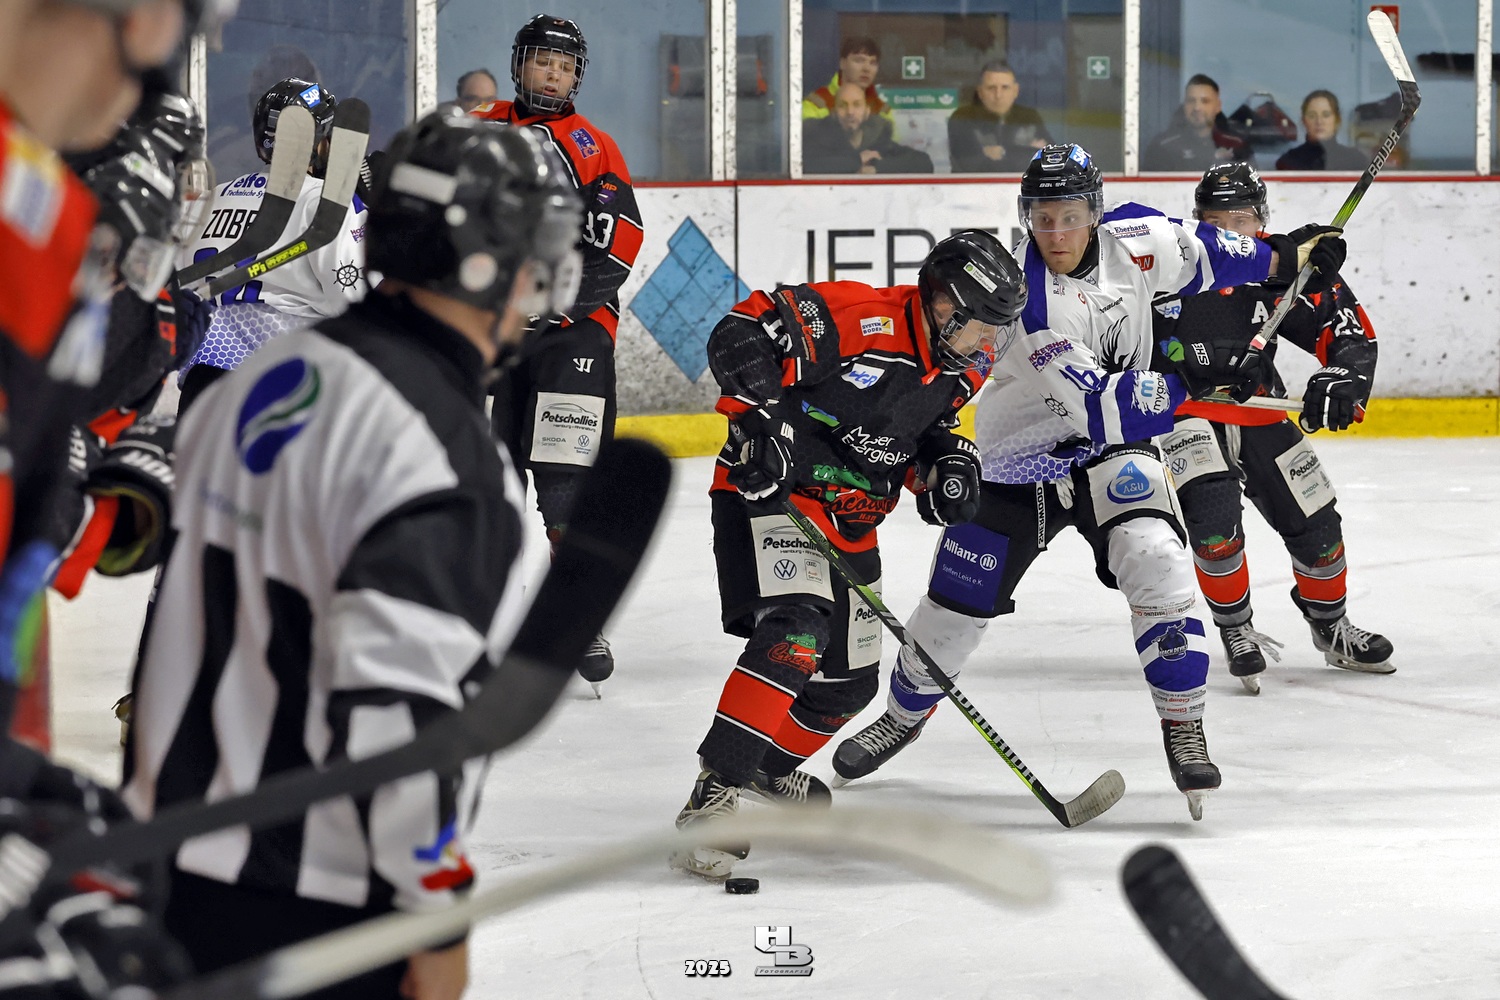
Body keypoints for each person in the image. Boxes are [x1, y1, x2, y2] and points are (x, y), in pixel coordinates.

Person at [121, 111, 585, 1000]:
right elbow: (394, 710)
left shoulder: (254, 383)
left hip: (162, 863)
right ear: (482, 263)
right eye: (533, 250)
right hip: (310, 907)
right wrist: (432, 911)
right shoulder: (441, 445)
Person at [833, 143, 1348, 821]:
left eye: (1070, 216)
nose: (1056, 234)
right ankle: (902, 716)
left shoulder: (1141, 238)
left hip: (1114, 456)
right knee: (952, 611)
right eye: (1042, 218)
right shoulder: (1026, 301)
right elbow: (1104, 405)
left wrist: (1290, 256)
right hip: (1019, 464)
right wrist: (1196, 382)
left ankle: (1184, 725)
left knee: (1158, 560)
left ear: (1096, 213)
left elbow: (1216, 253)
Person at [671, 231, 1025, 879]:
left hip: (851, 521)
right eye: (983, 324)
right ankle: (713, 797)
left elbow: (912, 431)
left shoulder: (964, 367)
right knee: (797, 629)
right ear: (944, 304)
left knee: (848, 685)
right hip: (777, 495)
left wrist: (943, 465)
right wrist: (757, 422)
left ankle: (762, 769)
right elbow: (741, 332)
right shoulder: (863, 317)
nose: (989, 343)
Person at [1153, 161, 1392, 693]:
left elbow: (1346, 332)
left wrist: (1343, 377)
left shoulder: (1285, 271)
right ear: (1195, 222)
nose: (1229, 233)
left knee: (1318, 528)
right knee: (1214, 524)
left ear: (1261, 221)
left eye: (1240, 221)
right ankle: (1235, 628)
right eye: (1214, 222)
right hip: (1187, 413)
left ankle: (1330, 626)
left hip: (1261, 408)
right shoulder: (1170, 265)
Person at [473, 14, 643, 691]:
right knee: (480, 471)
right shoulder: (479, 126)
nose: (553, 73)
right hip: (488, 329)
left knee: (565, 474)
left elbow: (617, 246)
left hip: (574, 331)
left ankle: (577, 615)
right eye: (543, 61)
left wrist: (553, 306)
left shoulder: (592, 147)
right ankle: (475, 606)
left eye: (565, 66)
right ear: (520, 64)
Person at [177, 77, 370, 413]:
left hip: (203, 384)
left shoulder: (208, 200)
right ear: (321, 143)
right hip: (285, 384)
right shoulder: (327, 203)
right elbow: (357, 304)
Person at [802, 82, 933, 175]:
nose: (850, 112)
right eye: (843, 105)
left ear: (867, 112)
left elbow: (923, 162)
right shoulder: (819, 139)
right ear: (834, 113)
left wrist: (876, 168)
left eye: (857, 105)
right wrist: (858, 160)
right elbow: (804, 165)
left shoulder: (878, 140)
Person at [947, 61, 1051, 173]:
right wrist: (1027, 151)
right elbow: (970, 164)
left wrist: (1003, 152)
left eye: (1005, 87)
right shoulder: (963, 117)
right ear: (980, 92)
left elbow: (1050, 158)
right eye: (991, 88)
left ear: (1015, 91)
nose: (998, 95)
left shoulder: (1029, 117)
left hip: (1023, 182)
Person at [1142, 74, 1251, 172]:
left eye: (1205, 101)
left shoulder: (1236, 145)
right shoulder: (1163, 147)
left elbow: (1251, 183)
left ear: (1218, 106)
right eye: (1191, 101)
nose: (1197, 108)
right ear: (1184, 105)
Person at [802, 36, 893, 127]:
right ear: (843, 63)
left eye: (873, 63)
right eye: (859, 61)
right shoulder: (816, 104)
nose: (867, 69)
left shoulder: (882, 110)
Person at [1276, 90, 1368, 171]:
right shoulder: (1288, 162)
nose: (1319, 121)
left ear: (1337, 120)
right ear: (1304, 121)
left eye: (1326, 115)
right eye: (1312, 115)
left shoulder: (1356, 161)